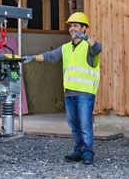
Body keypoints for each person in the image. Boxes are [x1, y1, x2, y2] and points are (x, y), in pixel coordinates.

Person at [31, 12, 102, 165]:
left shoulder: (88, 47)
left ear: (84, 29)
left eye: (75, 26)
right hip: (69, 93)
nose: (71, 29)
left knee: (85, 125)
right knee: (75, 126)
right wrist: (32, 57)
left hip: (85, 93)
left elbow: (98, 48)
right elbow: (50, 56)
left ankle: (88, 154)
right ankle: (78, 152)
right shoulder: (65, 48)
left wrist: (86, 38)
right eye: (70, 26)